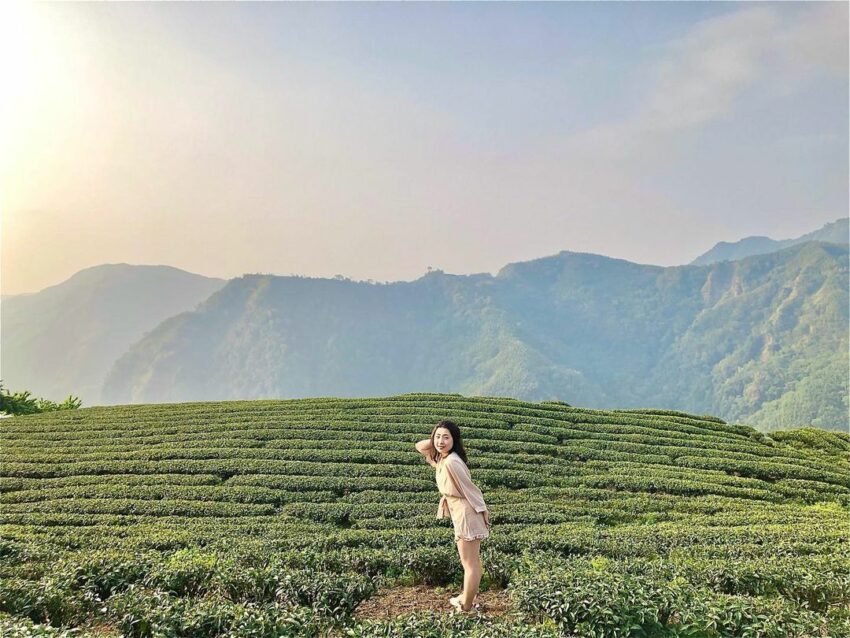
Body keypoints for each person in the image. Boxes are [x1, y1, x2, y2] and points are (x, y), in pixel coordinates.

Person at [415, 419, 491, 613]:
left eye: (446, 437)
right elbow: (420, 446)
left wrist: (483, 510)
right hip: (460, 511)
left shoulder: (451, 462)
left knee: (470, 564)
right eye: (438, 437)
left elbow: (470, 489)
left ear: (454, 440)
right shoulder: (444, 458)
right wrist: (437, 440)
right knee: (471, 562)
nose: (440, 441)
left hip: (467, 513)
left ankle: (467, 606)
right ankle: (467, 598)